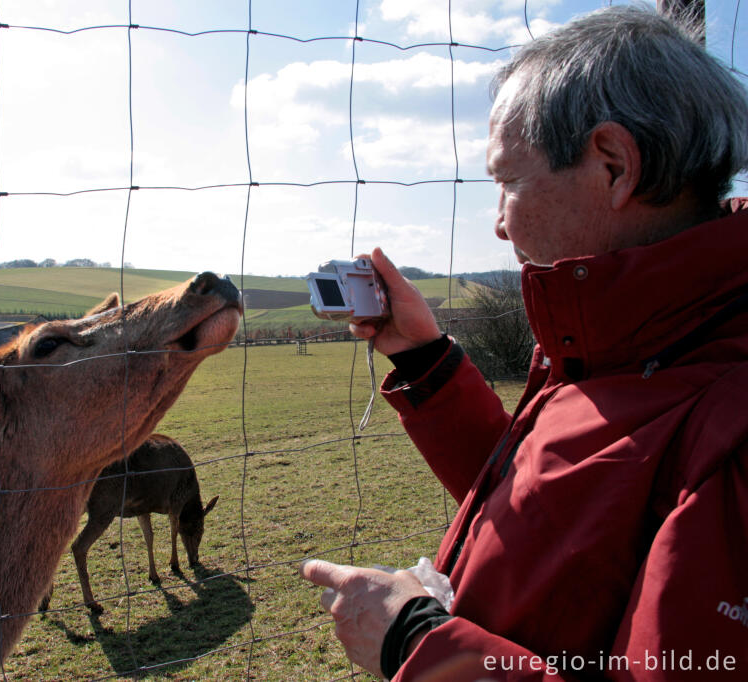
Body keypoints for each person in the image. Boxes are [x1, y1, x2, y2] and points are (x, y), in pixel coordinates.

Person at [299, 6, 748, 681]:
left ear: (614, 165)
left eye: (507, 181)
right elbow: (563, 512)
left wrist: (420, 646)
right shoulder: (629, 337)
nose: (500, 225)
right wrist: (424, 360)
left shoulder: (731, 428)